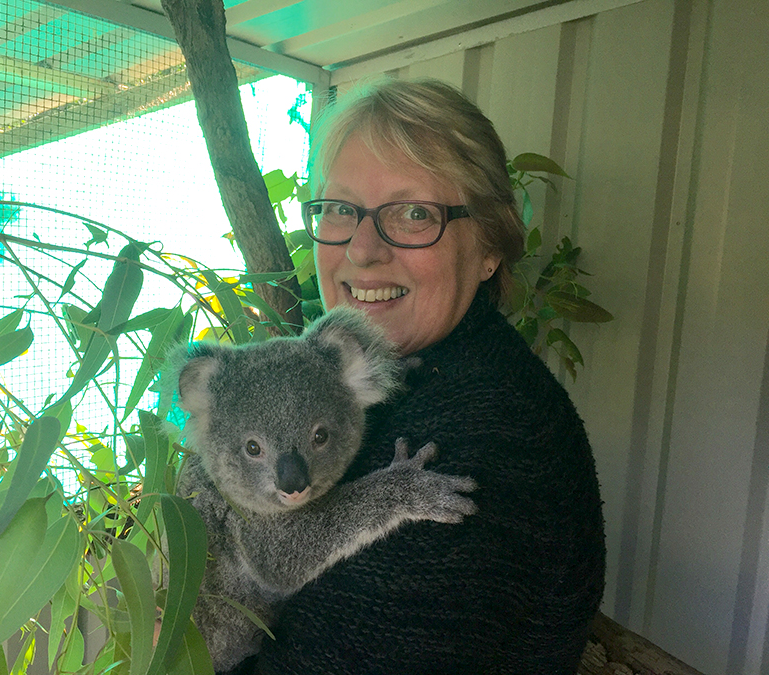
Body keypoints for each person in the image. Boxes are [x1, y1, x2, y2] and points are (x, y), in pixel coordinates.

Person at [244, 78, 605, 674]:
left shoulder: (477, 437)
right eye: (339, 209)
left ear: (489, 245)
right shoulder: (399, 379)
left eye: (415, 214)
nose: (362, 250)